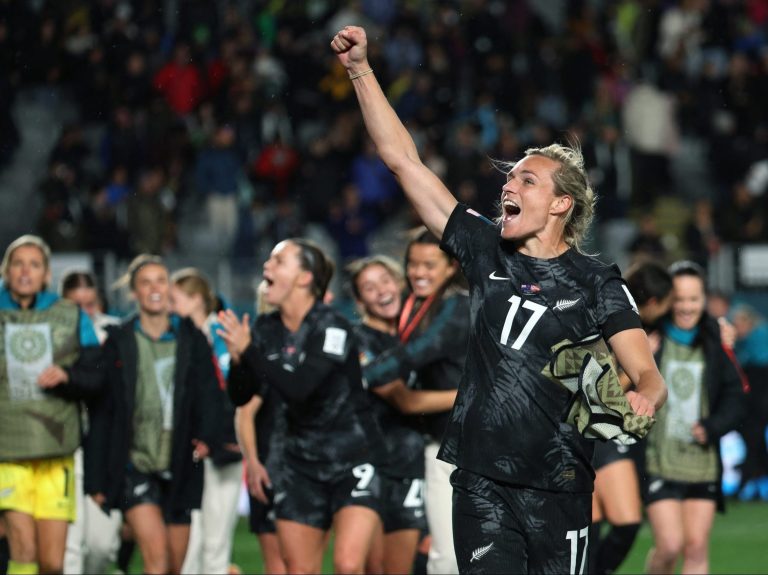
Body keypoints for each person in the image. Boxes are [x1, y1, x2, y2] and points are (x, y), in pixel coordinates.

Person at [332, 26, 667, 574]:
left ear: (561, 204)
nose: (509, 185)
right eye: (510, 177)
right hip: (481, 477)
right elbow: (404, 162)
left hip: (560, 480)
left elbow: (645, 371)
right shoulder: (484, 246)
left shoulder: (596, 279)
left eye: (527, 180)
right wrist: (360, 71)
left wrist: (644, 396)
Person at [218, 238, 382, 574]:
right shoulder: (265, 329)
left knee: (349, 565)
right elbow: (240, 396)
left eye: (278, 262)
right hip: (298, 466)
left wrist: (250, 352)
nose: (267, 267)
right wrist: (238, 362)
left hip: (351, 459)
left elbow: (301, 388)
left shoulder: (332, 327)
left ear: (304, 278)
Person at [85, 255, 222, 575]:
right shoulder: (119, 341)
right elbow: (103, 411)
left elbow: (210, 395)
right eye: (145, 283)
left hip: (181, 464)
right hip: (136, 465)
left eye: (161, 280)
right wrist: (96, 477)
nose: (155, 288)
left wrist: (208, 437)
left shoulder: (191, 338)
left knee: (174, 567)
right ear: (134, 292)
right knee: (157, 561)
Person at [354, 233, 469, 575]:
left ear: (451, 267)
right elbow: (406, 396)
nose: (419, 272)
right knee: (445, 559)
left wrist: (360, 375)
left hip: (480, 446)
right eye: (413, 264)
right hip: (436, 447)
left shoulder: (457, 305)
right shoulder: (417, 307)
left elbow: (420, 352)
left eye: (429, 265)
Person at [0, 235, 104, 575]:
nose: (25, 271)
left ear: (46, 274)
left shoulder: (71, 316)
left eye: (34, 264)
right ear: (6, 271)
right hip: (8, 455)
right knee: (23, 551)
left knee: (52, 563)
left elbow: (96, 377)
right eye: (18, 263)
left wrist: (67, 376)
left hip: (57, 451)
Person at [644, 260, 746, 574]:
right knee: (670, 545)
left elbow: (735, 396)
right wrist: (640, 355)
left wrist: (713, 427)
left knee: (696, 547)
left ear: (704, 301)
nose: (686, 307)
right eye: (679, 299)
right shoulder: (648, 337)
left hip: (702, 462)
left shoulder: (716, 340)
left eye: (694, 299)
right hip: (658, 458)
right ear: (667, 300)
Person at [590, 261, 674, 575]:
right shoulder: (607, 322)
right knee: (592, 526)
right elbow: (599, 396)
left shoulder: (650, 329)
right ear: (652, 303)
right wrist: (636, 371)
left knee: (626, 524)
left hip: (613, 435)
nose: (669, 311)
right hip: (588, 430)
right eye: (667, 304)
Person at [169, 268, 243, 575]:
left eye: (175, 299)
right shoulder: (175, 338)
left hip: (224, 447)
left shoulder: (225, 333)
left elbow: (238, 390)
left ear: (196, 299)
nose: (170, 307)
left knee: (216, 542)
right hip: (190, 450)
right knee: (190, 540)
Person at [59, 270, 123, 575]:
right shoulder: (52, 334)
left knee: (101, 544)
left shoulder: (116, 334)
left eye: (90, 302)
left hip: (106, 447)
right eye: (76, 305)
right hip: (65, 445)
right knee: (69, 546)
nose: (85, 311)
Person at [234, 280, 287, 575]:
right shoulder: (262, 348)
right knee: (280, 566)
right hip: (273, 465)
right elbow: (244, 413)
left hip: (307, 466)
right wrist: (253, 463)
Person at [731, 304, 768, 500]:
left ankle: (747, 480)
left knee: (754, 443)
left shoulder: (756, 343)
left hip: (758, 406)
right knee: (756, 444)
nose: (736, 329)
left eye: (739, 324)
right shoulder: (751, 343)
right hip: (756, 407)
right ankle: (752, 480)